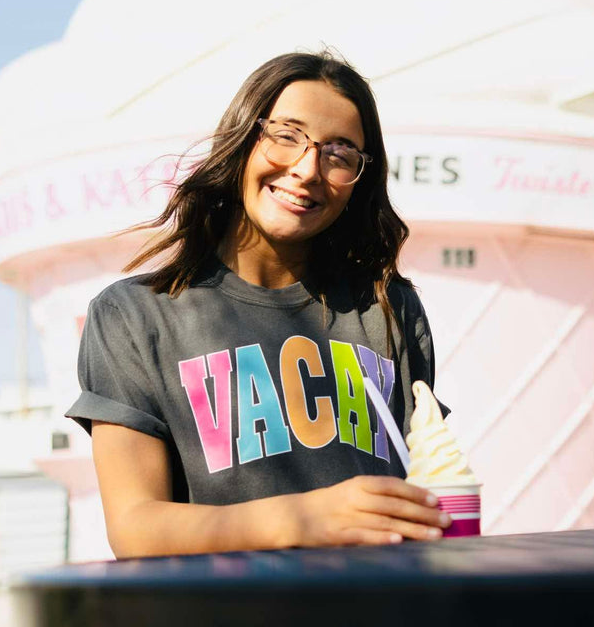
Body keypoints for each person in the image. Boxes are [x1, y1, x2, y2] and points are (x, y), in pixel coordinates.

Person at [66, 51, 451, 557]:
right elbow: (135, 528)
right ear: (244, 138)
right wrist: (308, 517)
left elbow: (430, 491)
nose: (308, 169)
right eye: (287, 135)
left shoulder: (388, 309)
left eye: (340, 153)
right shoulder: (135, 316)